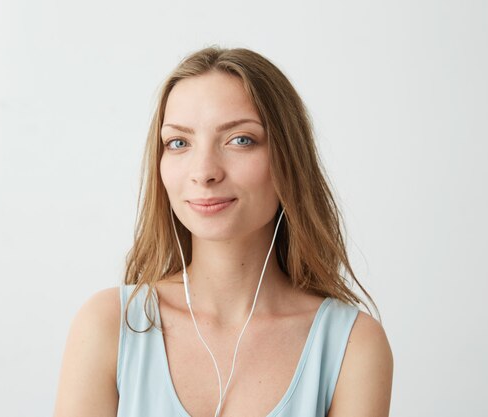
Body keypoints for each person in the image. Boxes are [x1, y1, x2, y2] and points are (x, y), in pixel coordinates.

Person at [53, 46, 393, 417]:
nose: (204, 171)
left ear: (288, 158)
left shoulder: (352, 345)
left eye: (240, 140)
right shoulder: (108, 326)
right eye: (179, 142)